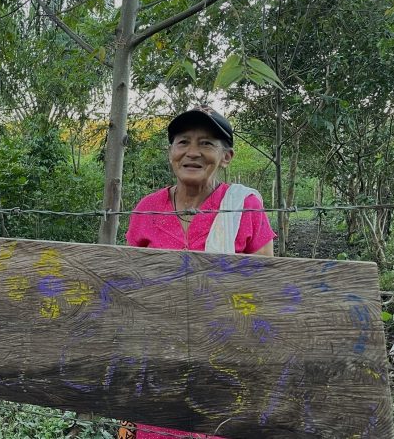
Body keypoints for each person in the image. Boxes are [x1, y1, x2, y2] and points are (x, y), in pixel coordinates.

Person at [118, 105, 276, 439]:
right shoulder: (147, 208)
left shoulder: (244, 205)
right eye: (183, 142)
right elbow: (133, 290)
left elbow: (264, 288)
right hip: (162, 357)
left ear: (226, 156)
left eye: (206, 143)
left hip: (226, 356)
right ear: (170, 152)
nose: (192, 152)